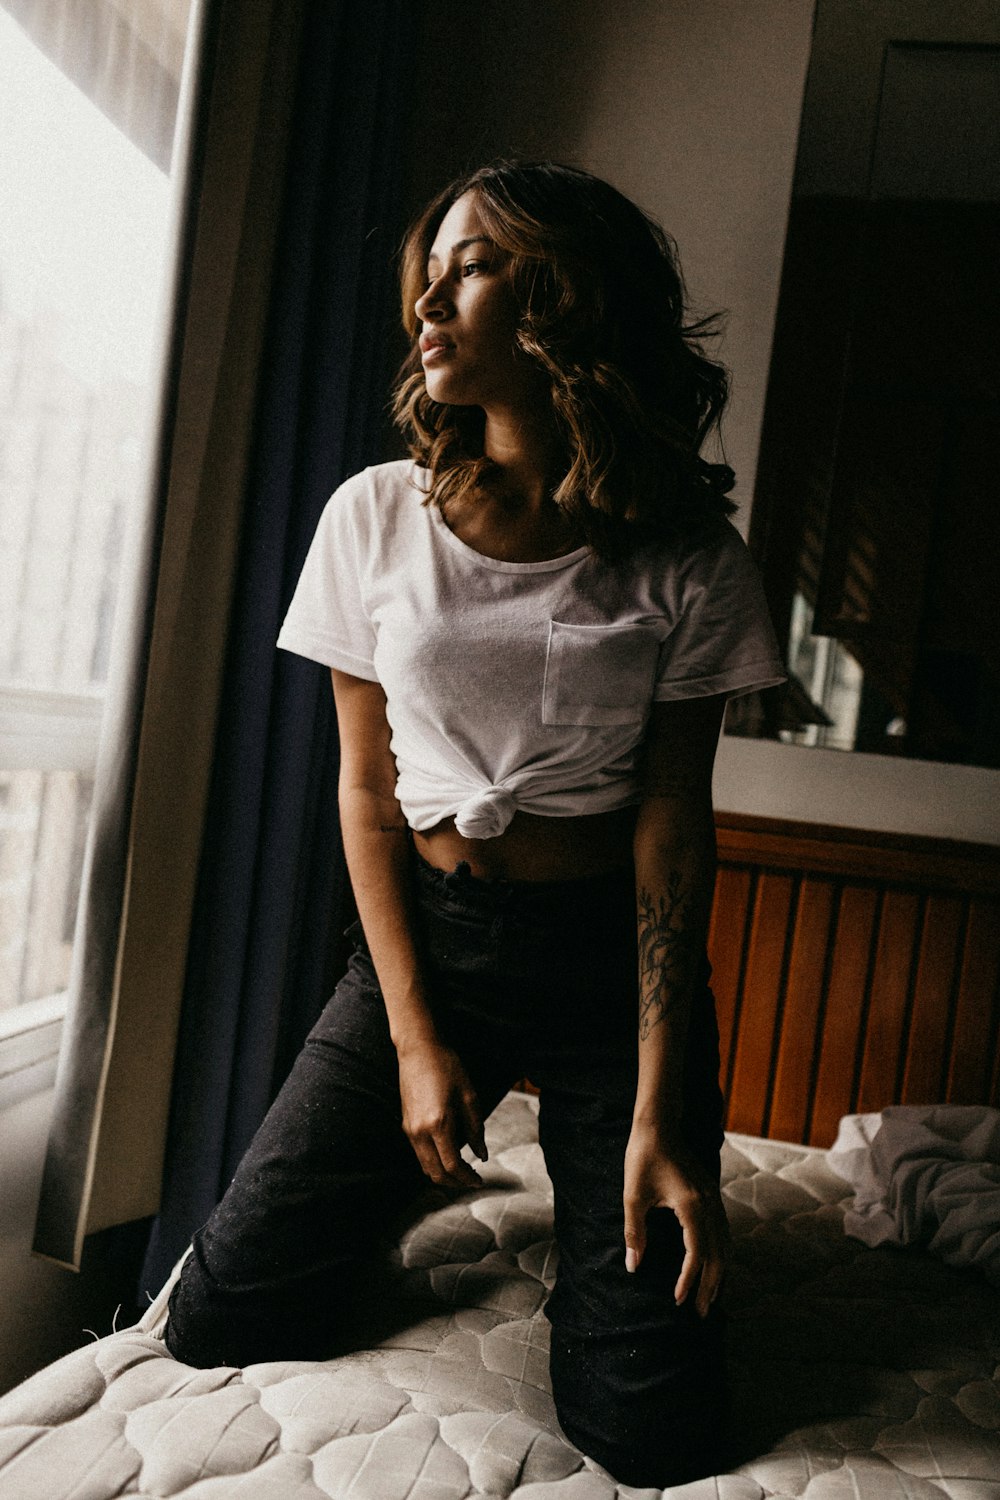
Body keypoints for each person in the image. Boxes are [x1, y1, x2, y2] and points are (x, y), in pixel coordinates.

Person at [164, 160, 785, 1487]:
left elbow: (676, 831)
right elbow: (366, 794)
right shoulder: (373, 517)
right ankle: (430, 1178)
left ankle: (586, 1245)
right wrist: (414, 1041)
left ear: (563, 299)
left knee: (653, 1431)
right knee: (219, 1313)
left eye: (473, 269)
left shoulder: (691, 560)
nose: (429, 304)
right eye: (426, 273)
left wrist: (667, 1107)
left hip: (609, 963)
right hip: (433, 944)